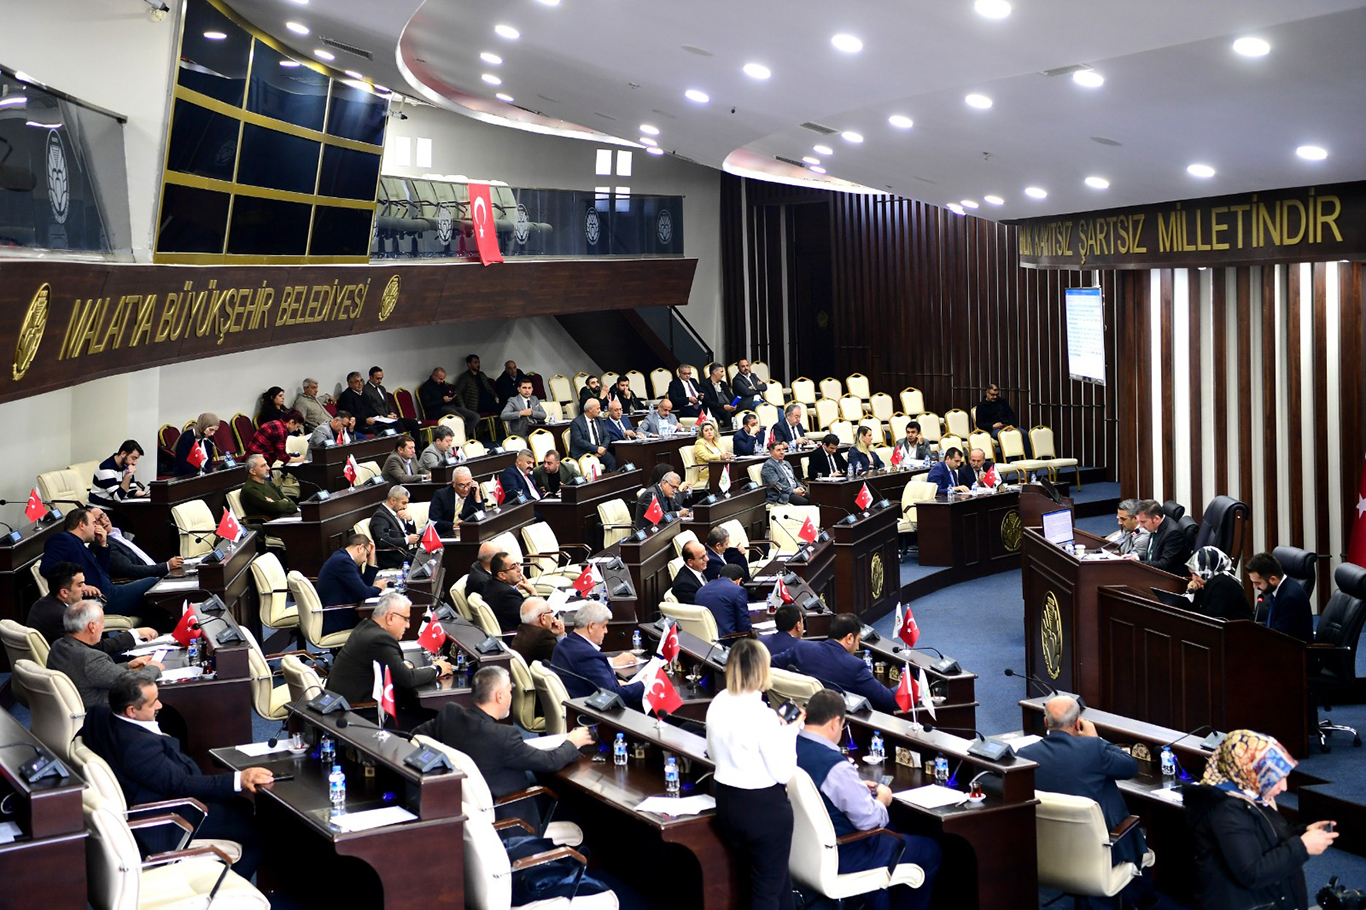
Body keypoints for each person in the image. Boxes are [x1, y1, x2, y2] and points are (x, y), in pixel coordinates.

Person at [82, 677, 270, 877]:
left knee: (244, 806)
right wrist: (240, 779)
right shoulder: (137, 746)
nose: (159, 705)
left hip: (151, 794)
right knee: (259, 834)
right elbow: (182, 785)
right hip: (168, 819)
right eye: (153, 702)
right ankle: (231, 894)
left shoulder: (98, 715)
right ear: (131, 711)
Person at [797, 689, 941, 910]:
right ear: (836, 722)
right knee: (930, 851)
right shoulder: (834, 766)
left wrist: (854, 788)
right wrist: (882, 800)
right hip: (846, 852)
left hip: (802, 851)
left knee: (896, 830)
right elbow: (869, 822)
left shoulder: (789, 747)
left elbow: (818, 789)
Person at [413, 666, 592, 828]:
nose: (511, 696)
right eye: (509, 691)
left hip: (460, 808)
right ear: (499, 696)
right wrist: (572, 742)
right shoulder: (503, 736)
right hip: (509, 815)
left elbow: (415, 736)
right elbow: (549, 762)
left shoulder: (450, 714)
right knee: (577, 807)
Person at [1017, 695, 1152, 903]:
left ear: (1046, 723)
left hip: (1048, 852)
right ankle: (1147, 901)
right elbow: (1131, 767)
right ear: (1078, 723)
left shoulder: (1025, 754)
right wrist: (1095, 739)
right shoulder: (1093, 749)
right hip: (1101, 855)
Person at [1183, 729, 1336, 910]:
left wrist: (1303, 833)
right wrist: (1302, 846)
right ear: (1251, 772)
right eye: (1277, 779)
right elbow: (1252, 873)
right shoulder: (1225, 810)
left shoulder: (1251, 793)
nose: (1284, 787)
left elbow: (1265, 836)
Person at [705, 637, 802, 910]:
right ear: (762, 670)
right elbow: (783, 772)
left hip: (727, 804)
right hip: (764, 812)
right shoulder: (762, 715)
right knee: (766, 894)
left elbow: (712, 753)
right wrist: (791, 731)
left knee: (777, 883)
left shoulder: (719, 702)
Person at [328, 592, 453, 709]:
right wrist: (437, 669)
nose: (408, 625)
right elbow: (407, 679)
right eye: (406, 619)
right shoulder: (379, 639)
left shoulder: (366, 627)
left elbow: (392, 666)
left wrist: (403, 665)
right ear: (390, 617)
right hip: (361, 711)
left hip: (345, 702)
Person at [41, 508, 158, 617]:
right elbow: (47, 568)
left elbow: (103, 573)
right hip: (102, 600)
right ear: (82, 525)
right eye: (94, 524)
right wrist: (81, 586)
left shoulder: (82, 545)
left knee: (150, 609)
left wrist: (103, 545)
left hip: (109, 592)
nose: (97, 527)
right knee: (154, 581)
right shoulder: (63, 539)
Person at [46, 600, 162, 708]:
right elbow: (137, 684)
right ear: (92, 626)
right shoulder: (90, 658)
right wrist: (154, 667)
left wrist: (127, 666)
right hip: (106, 714)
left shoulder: (58, 645)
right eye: (102, 622)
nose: (103, 626)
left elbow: (92, 674)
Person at [784, 614, 899, 714]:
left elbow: (769, 664)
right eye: (858, 640)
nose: (858, 647)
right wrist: (907, 684)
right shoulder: (855, 666)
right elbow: (887, 700)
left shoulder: (801, 648)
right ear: (849, 638)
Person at [27, 562, 153, 647]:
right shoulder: (61, 616)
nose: (84, 589)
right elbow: (93, 648)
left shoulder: (44, 603)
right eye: (80, 585)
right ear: (64, 592)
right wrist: (135, 634)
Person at [549, 602, 644, 710]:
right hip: (596, 716)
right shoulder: (588, 655)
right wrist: (643, 684)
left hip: (578, 706)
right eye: (603, 626)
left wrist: (616, 683)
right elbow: (612, 696)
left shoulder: (562, 645)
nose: (606, 631)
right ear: (591, 626)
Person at [316, 533, 389, 636]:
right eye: (367, 554)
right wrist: (378, 588)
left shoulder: (342, 557)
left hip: (337, 611)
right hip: (337, 617)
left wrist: (371, 559)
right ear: (360, 548)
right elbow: (364, 592)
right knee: (382, 621)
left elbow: (363, 584)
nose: (365, 560)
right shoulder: (343, 562)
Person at [93, 507, 184, 582]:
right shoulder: (105, 544)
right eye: (97, 521)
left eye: (102, 516)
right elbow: (130, 570)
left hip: (158, 574)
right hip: (149, 581)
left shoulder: (117, 535)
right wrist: (166, 566)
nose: (103, 521)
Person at [1246, 552, 1314, 644]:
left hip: (1295, 653)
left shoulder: (1290, 598)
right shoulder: (1277, 589)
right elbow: (1274, 625)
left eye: (1257, 583)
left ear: (1273, 579)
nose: (1254, 587)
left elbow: (1281, 636)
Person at [1184, 547, 1254, 620]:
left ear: (1208, 570)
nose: (1193, 579)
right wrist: (1192, 591)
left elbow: (1212, 618)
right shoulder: (1210, 582)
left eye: (1196, 574)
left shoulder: (1222, 583)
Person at [1134, 499, 1191, 576]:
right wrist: (1136, 558)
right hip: (1155, 574)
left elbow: (1164, 565)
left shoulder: (1173, 533)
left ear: (1156, 519)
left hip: (1170, 580)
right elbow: (1152, 555)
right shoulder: (1155, 526)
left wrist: (1135, 563)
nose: (1141, 526)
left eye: (1143, 522)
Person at [239, 453, 298, 527]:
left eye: (266, 464)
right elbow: (275, 508)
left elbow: (293, 505)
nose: (268, 468)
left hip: (287, 520)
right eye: (263, 466)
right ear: (253, 471)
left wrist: (278, 503)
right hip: (273, 525)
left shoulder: (270, 484)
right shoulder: (250, 490)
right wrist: (283, 502)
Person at [369, 485, 418, 569]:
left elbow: (408, 533)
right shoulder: (380, 517)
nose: (405, 507)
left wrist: (410, 520)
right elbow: (382, 540)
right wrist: (407, 540)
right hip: (393, 558)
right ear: (393, 500)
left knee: (426, 552)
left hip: (405, 553)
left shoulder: (397, 512)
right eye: (403, 503)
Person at [362, 365, 421, 436]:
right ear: (371, 377)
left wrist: (392, 412)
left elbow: (387, 403)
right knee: (397, 427)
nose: (380, 381)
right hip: (380, 419)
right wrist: (386, 415)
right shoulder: (366, 390)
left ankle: (415, 447)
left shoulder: (381, 388)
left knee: (413, 423)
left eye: (381, 378)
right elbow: (372, 408)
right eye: (377, 378)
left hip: (390, 417)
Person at [696, 564, 751, 636]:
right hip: (728, 639)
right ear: (739, 581)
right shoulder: (738, 591)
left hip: (703, 638)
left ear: (719, 576)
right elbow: (744, 626)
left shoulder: (701, 590)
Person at [90, 440, 148, 507]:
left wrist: (147, 495)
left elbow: (130, 491)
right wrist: (128, 475)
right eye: (133, 458)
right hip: (101, 508)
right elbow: (118, 497)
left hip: (116, 507)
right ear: (123, 454)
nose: (135, 463)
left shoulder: (126, 466)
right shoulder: (105, 469)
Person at [483, 552, 532, 632]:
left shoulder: (491, 583)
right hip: (520, 637)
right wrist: (533, 593)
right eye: (513, 567)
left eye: (517, 564)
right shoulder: (506, 594)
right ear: (502, 575)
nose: (519, 569)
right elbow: (531, 619)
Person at [430, 467, 485, 536]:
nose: (466, 489)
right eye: (461, 485)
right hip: (445, 534)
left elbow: (482, 516)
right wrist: (452, 526)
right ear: (453, 483)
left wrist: (477, 496)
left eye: (468, 484)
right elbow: (434, 520)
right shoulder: (441, 495)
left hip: (467, 535)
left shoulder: (474, 493)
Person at [452, 354, 499, 434]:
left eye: (478, 362)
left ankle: (498, 432)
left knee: (502, 409)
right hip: (474, 404)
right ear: (469, 364)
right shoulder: (465, 377)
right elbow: (458, 392)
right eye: (475, 362)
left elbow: (488, 388)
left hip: (486, 401)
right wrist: (463, 407)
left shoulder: (482, 375)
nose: (478, 365)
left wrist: (495, 396)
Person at [510, 597, 562, 665]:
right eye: (550, 612)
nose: (552, 617)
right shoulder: (543, 636)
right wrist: (561, 635)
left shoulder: (522, 630)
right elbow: (563, 660)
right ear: (543, 618)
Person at [569, 398, 616, 471]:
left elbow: (607, 436)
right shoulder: (576, 423)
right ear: (590, 409)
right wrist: (596, 449)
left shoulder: (599, 420)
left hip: (599, 451)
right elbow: (578, 441)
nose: (600, 411)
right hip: (583, 453)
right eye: (598, 408)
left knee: (612, 462)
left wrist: (602, 448)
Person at [761, 440, 809, 505]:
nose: (782, 452)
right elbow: (776, 485)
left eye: (783, 449)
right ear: (771, 453)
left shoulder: (786, 463)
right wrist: (794, 491)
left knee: (816, 498)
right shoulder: (768, 466)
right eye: (778, 450)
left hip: (795, 490)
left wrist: (801, 488)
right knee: (804, 502)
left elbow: (794, 479)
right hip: (782, 494)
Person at [338, 371, 383, 437]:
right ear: (350, 383)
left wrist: (378, 415)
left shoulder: (363, 393)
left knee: (390, 426)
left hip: (370, 421)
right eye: (357, 381)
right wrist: (365, 420)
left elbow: (370, 408)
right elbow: (350, 414)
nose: (360, 384)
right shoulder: (346, 396)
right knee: (375, 431)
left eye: (361, 381)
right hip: (358, 424)